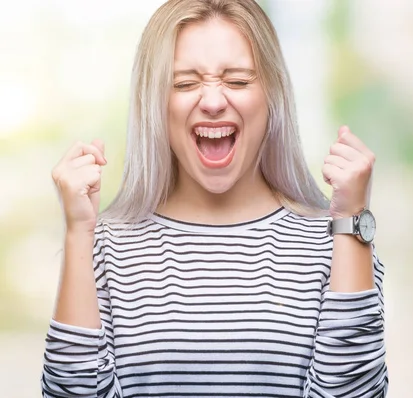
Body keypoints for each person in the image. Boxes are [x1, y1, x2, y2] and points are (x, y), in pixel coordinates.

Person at [41, 0, 388, 396]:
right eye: (185, 83)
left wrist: (352, 218)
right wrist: (78, 232)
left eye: (238, 80)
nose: (211, 101)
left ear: (272, 94)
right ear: (155, 101)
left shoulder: (338, 241)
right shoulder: (104, 246)